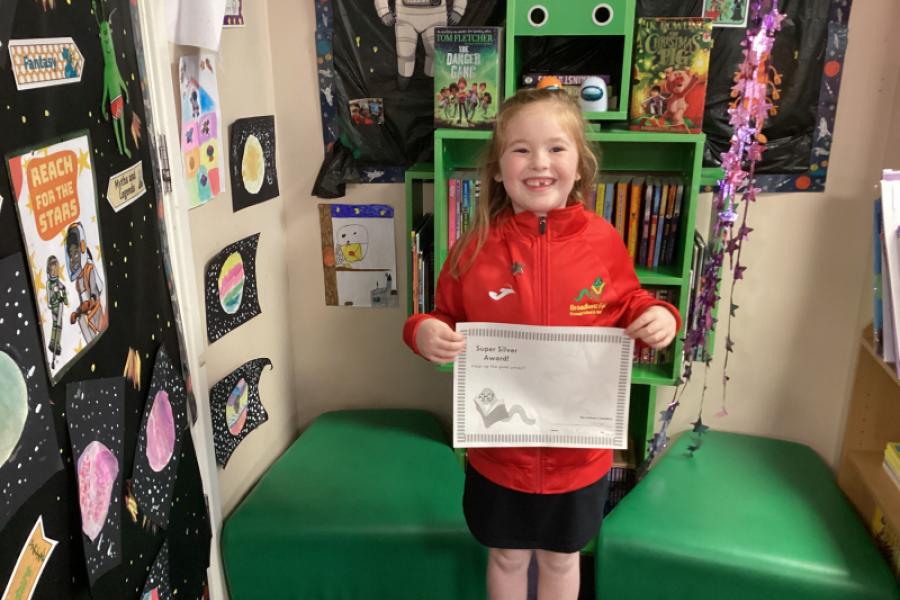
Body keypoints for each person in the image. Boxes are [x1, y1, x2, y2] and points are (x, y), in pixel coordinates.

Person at [401, 88, 680, 600]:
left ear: (579, 163)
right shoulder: (474, 246)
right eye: (521, 149)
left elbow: (630, 301)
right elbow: (443, 314)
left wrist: (660, 315)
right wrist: (422, 331)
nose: (539, 162)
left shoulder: (602, 240)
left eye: (555, 147)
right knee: (506, 556)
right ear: (497, 167)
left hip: (578, 456)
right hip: (499, 454)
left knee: (561, 557)